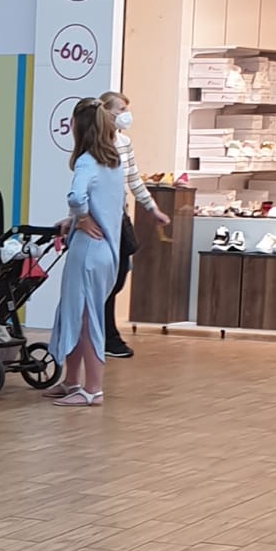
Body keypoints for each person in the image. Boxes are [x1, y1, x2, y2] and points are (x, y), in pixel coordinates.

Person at [45, 97, 125, 407]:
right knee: (79, 313)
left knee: (84, 318)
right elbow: (108, 202)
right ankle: (72, 380)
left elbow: (77, 196)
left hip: (88, 251)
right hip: (106, 251)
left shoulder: (86, 162)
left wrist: (81, 217)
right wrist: (76, 219)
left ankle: (92, 388)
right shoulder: (113, 162)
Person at [99, 90, 171, 358]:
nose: (125, 115)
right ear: (106, 112)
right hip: (101, 220)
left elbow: (134, 179)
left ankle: (106, 333)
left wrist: (152, 208)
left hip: (119, 218)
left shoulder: (124, 143)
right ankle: (105, 335)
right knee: (107, 280)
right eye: (120, 110)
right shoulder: (95, 146)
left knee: (118, 277)